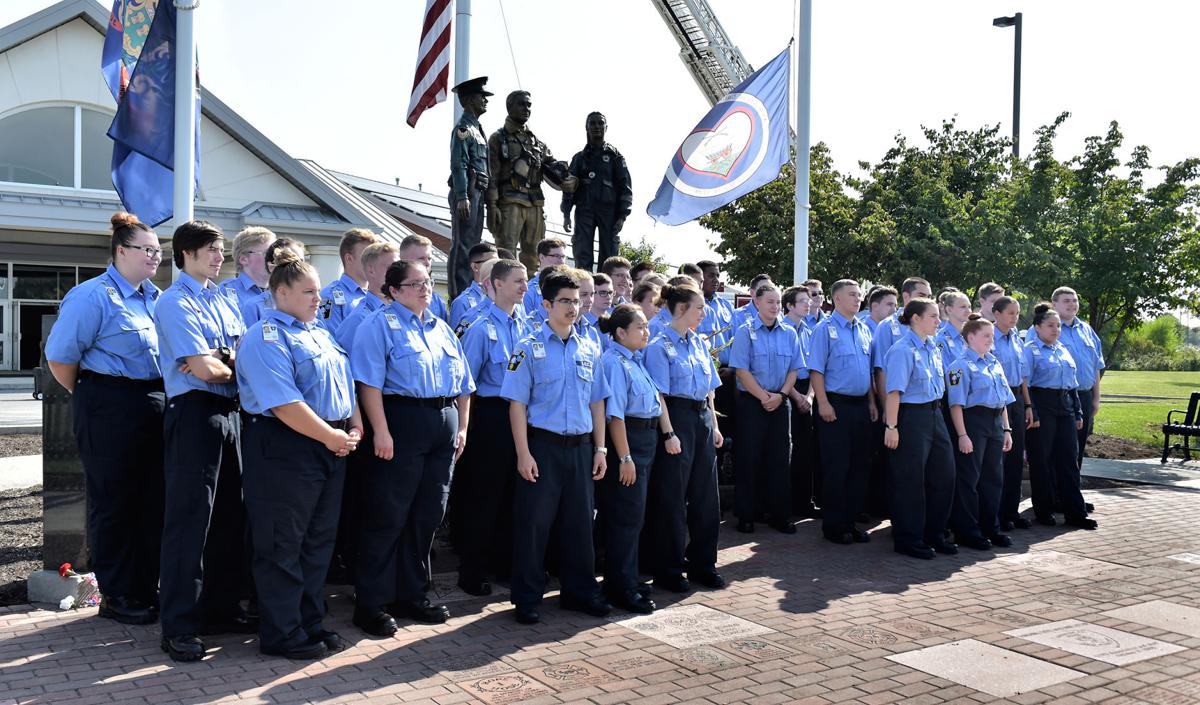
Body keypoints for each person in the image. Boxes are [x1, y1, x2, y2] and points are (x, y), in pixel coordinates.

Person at [236, 250, 361, 659]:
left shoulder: (321, 332)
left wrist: (353, 426)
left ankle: (309, 623)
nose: (317, 298)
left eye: (319, 291)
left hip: (330, 444)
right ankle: (282, 633)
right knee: (282, 544)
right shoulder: (265, 335)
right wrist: (330, 436)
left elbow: (346, 386)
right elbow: (284, 403)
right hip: (287, 446)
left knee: (317, 542)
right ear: (282, 292)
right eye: (308, 291)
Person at [45, 212, 166, 626]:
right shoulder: (93, 296)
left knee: (151, 501)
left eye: (158, 250)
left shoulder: (156, 297)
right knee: (115, 502)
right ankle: (116, 595)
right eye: (146, 250)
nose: (154, 257)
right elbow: (61, 359)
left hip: (152, 402)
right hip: (108, 404)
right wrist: (96, 398)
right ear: (120, 251)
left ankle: (146, 588)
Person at [349, 260, 475, 636]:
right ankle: (371, 602)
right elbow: (368, 385)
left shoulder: (441, 328)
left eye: (428, 282)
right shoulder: (377, 326)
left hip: (443, 423)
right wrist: (381, 432)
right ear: (393, 290)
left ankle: (413, 593)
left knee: (427, 514)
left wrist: (463, 428)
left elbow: (464, 385)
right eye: (415, 284)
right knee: (389, 514)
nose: (425, 289)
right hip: (402, 422)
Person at [153, 221, 250, 662]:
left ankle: (222, 607)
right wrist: (219, 362)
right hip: (195, 413)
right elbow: (204, 369)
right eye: (212, 249)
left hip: (231, 414)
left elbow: (238, 357)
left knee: (230, 516)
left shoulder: (221, 298)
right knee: (190, 523)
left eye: (221, 249)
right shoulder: (175, 302)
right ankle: (180, 626)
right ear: (187, 253)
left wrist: (224, 358)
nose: (220, 256)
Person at [500, 271, 610, 624]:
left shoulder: (589, 347)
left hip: (580, 448)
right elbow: (516, 403)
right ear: (546, 304)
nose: (573, 308)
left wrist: (601, 448)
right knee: (535, 525)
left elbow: (597, 403)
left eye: (577, 301)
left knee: (579, 525)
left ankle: (580, 592)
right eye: (565, 301)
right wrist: (522, 453)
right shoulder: (527, 347)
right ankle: (528, 597)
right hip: (542, 446)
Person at [642, 281, 725, 594]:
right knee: (672, 499)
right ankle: (669, 568)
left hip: (701, 416)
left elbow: (709, 387)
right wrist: (669, 432)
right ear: (680, 309)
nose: (704, 312)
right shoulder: (659, 344)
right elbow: (659, 395)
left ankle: (703, 564)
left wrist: (714, 425)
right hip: (675, 418)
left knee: (707, 497)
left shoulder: (699, 343)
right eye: (699, 307)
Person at [454, 259, 530, 596]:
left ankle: (505, 564)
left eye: (526, 281)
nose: (525, 288)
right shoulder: (478, 326)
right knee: (484, 496)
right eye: (518, 281)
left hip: (521, 415)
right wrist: (465, 427)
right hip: (490, 416)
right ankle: (473, 570)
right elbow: (465, 383)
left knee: (515, 495)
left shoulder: (526, 325)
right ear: (496, 284)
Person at [328, 241, 400, 585]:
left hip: (395, 415)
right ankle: (355, 567)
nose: (396, 274)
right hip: (366, 420)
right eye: (390, 267)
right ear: (371, 271)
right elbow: (345, 371)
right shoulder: (360, 317)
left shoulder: (398, 313)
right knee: (366, 499)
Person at [596, 304, 664, 614]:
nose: (646, 332)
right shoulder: (614, 363)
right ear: (621, 333)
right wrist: (624, 456)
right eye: (640, 327)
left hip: (645, 439)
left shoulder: (634, 360)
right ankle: (621, 586)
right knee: (625, 517)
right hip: (630, 442)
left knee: (635, 516)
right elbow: (616, 416)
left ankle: (629, 578)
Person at [881, 298, 956, 559]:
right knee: (910, 480)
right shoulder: (902, 350)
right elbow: (894, 392)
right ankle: (908, 538)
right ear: (915, 318)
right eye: (933, 316)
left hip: (935, 414)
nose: (939, 321)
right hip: (911, 418)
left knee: (944, 475)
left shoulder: (932, 346)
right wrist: (892, 426)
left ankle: (935, 534)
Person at [729, 282, 803, 534]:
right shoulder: (745, 331)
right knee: (749, 458)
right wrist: (763, 397)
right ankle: (746, 515)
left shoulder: (789, 333)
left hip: (780, 403)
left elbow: (794, 369)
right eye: (770, 302)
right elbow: (741, 370)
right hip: (752, 403)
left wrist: (781, 396)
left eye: (778, 302)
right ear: (757, 303)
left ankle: (780, 514)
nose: (775, 307)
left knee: (780, 460)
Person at [808, 279, 878, 545]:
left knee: (859, 466)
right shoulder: (824, 329)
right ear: (836, 299)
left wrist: (872, 402)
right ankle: (834, 526)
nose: (857, 298)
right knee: (837, 467)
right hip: (835, 405)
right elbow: (817, 369)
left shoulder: (863, 330)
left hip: (860, 404)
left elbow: (868, 371)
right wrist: (823, 403)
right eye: (851, 294)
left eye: (859, 294)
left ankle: (850, 522)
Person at [1023, 303, 1097, 530]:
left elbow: (1072, 383)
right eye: (1050, 325)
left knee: (1069, 459)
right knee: (1042, 460)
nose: (1055, 329)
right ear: (1037, 327)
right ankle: (1043, 510)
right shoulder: (1030, 348)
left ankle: (1075, 512)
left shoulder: (1062, 349)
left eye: (1057, 326)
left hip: (1065, 405)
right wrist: (1030, 408)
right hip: (1042, 404)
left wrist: (1077, 410)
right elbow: (1025, 382)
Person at [487, 90, 577, 273]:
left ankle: (532, 295)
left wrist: (568, 179)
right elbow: (492, 174)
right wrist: (492, 205)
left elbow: (552, 165)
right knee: (506, 254)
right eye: (521, 104)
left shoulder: (535, 141)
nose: (526, 109)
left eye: (529, 105)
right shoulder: (498, 138)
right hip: (509, 201)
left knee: (535, 255)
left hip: (535, 202)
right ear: (509, 106)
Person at [946, 314, 1016, 550]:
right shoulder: (959, 366)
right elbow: (956, 404)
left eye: (991, 336)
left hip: (995, 422)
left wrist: (1006, 429)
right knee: (970, 479)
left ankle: (991, 528)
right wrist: (962, 435)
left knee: (993, 479)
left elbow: (1003, 399)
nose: (991, 339)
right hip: (973, 423)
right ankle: (968, 531)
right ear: (971, 336)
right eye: (986, 335)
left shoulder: (993, 362)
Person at [562, 112, 633, 271]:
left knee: (609, 255)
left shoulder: (614, 156)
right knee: (582, 251)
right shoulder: (579, 158)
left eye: (600, 123)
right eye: (592, 123)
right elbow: (569, 188)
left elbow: (625, 186)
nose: (596, 127)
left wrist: (622, 215)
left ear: (606, 127)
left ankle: (605, 288)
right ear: (586, 127)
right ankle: (583, 287)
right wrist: (566, 213)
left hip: (609, 211)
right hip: (584, 210)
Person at [992, 295, 1035, 531]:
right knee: (1000, 458)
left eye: (1017, 313)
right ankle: (996, 513)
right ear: (996, 313)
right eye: (1010, 312)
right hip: (998, 400)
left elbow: (1024, 377)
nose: (1015, 317)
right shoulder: (989, 338)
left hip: (1017, 398)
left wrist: (1028, 406)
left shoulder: (1017, 339)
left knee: (1016, 457)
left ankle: (1011, 511)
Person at [1051, 287, 1105, 474]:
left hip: (1085, 397)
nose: (1072, 304)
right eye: (1066, 301)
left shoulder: (1087, 330)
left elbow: (1096, 365)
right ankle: (1058, 497)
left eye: (1074, 300)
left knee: (1079, 448)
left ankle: (1073, 495)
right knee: (1062, 449)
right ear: (1054, 304)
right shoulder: (1046, 329)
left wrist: (1096, 398)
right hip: (1061, 398)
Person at [448, 76, 493, 299]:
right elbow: (459, 164)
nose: (485, 101)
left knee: (473, 246)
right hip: (467, 191)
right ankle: (459, 298)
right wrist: (462, 195)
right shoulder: (463, 129)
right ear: (467, 100)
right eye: (480, 97)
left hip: (479, 191)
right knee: (463, 247)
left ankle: (469, 294)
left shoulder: (477, 128)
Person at [782, 286, 818, 516]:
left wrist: (811, 397)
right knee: (787, 452)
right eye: (803, 301)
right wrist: (796, 396)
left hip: (808, 392)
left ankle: (805, 502)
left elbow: (816, 368)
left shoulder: (809, 330)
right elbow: (782, 370)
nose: (809, 304)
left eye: (809, 300)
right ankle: (785, 504)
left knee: (807, 451)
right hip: (787, 392)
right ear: (789, 305)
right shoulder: (781, 329)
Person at [320, 228, 379, 334]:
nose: (373, 262)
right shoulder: (329, 297)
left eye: (375, 257)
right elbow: (332, 341)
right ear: (349, 258)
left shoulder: (380, 295)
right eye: (366, 256)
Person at [240, 238, 308, 326]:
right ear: (271, 266)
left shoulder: (312, 303)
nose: (299, 267)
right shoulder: (254, 307)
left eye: (301, 262)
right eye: (291, 262)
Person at [398, 234, 451, 322]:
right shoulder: (392, 296)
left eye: (429, 259)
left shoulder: (436, 300)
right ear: (404, 260)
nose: (427, 263)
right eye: (421, 258)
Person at [220, 226, 275, 309]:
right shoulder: (224, 292)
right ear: (243, 259)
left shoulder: (283, 292)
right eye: (267, 253)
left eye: (275, 253)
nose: (274, 257)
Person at [449, 242, 498, 328]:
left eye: (498, 263)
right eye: (491, 263)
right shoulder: (463, 302)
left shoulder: (502, 297)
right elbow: (457, 339)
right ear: (475, 267)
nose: (497, 267)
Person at [521, 237, 569, 314]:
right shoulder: (530, 290)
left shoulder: (568, 287)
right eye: (556, 256)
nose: (561, 261)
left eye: (563, 257)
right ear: (542, 257)